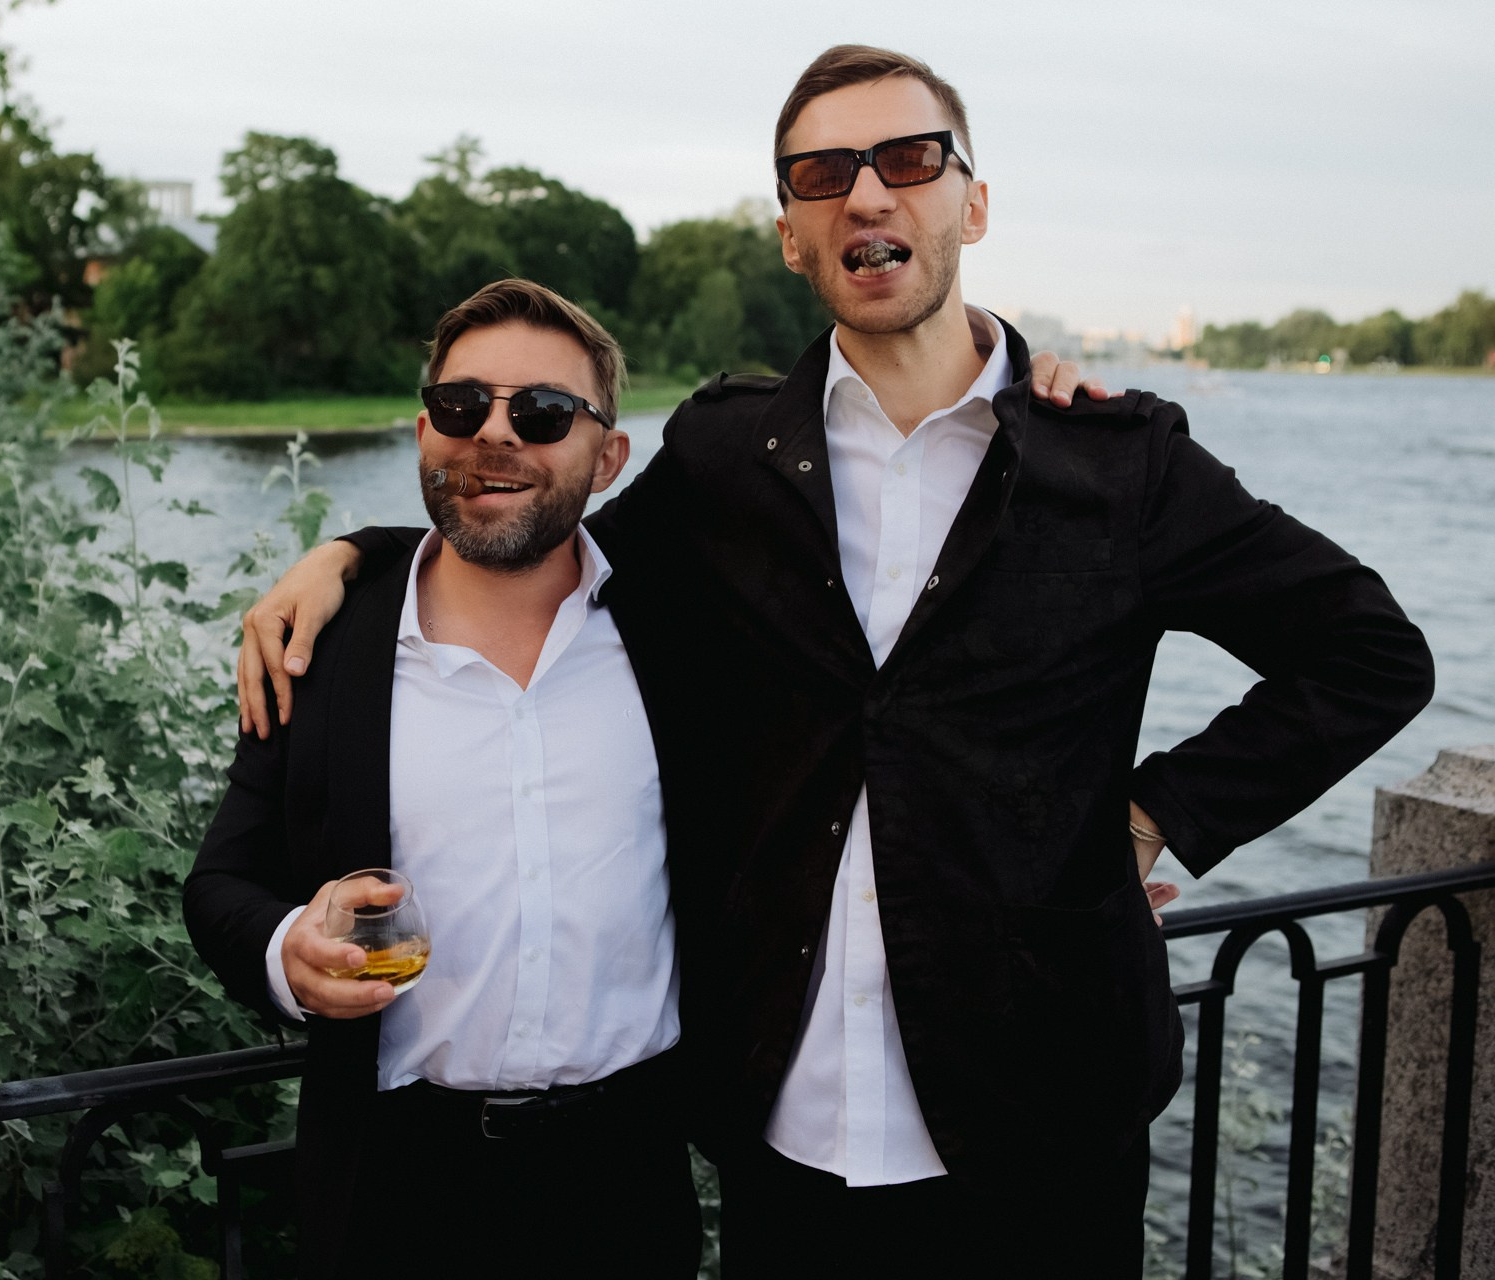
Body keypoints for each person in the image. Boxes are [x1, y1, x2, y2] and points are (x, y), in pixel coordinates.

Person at [236, 45, 1434, 1278]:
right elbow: (541, 538)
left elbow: (1368, 653)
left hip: (1042, 1128)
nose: (866, 193)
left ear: (971, 204)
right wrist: (360, 555)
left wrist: (1152, 814)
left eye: (908, 159)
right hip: (784, 1145)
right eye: (822, 174)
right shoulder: (726, 456)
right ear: (791, 237)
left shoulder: (1114, 464)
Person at [184, 280, 700, 1280]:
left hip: (627, 1180)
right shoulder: (323, 650)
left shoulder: (677, 630)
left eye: (542, 411)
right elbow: (220, 884)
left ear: (608, 457)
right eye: (462, 406)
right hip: (397, 1186)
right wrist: (291, 953)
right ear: (425, 431)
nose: (494, 433)